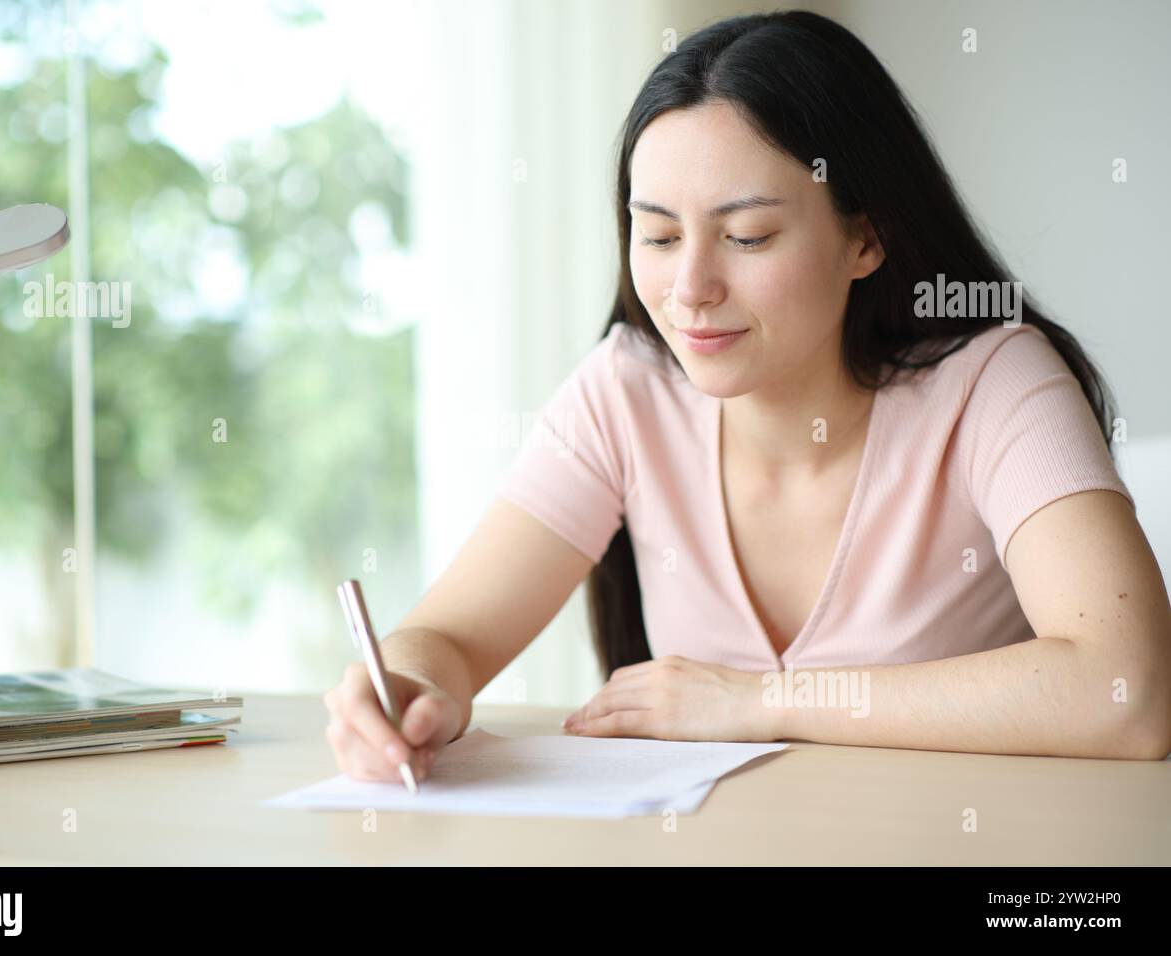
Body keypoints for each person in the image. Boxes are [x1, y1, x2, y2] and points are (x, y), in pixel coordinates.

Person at [324, 10, 1171, 782]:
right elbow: (452, 640)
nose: (689, 287)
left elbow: (1126, 690)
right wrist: (404, 683)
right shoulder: (629, 391)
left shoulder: (995, 383)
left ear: (865, 237)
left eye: (747, 236)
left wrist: (761, 702)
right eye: (656, 234)